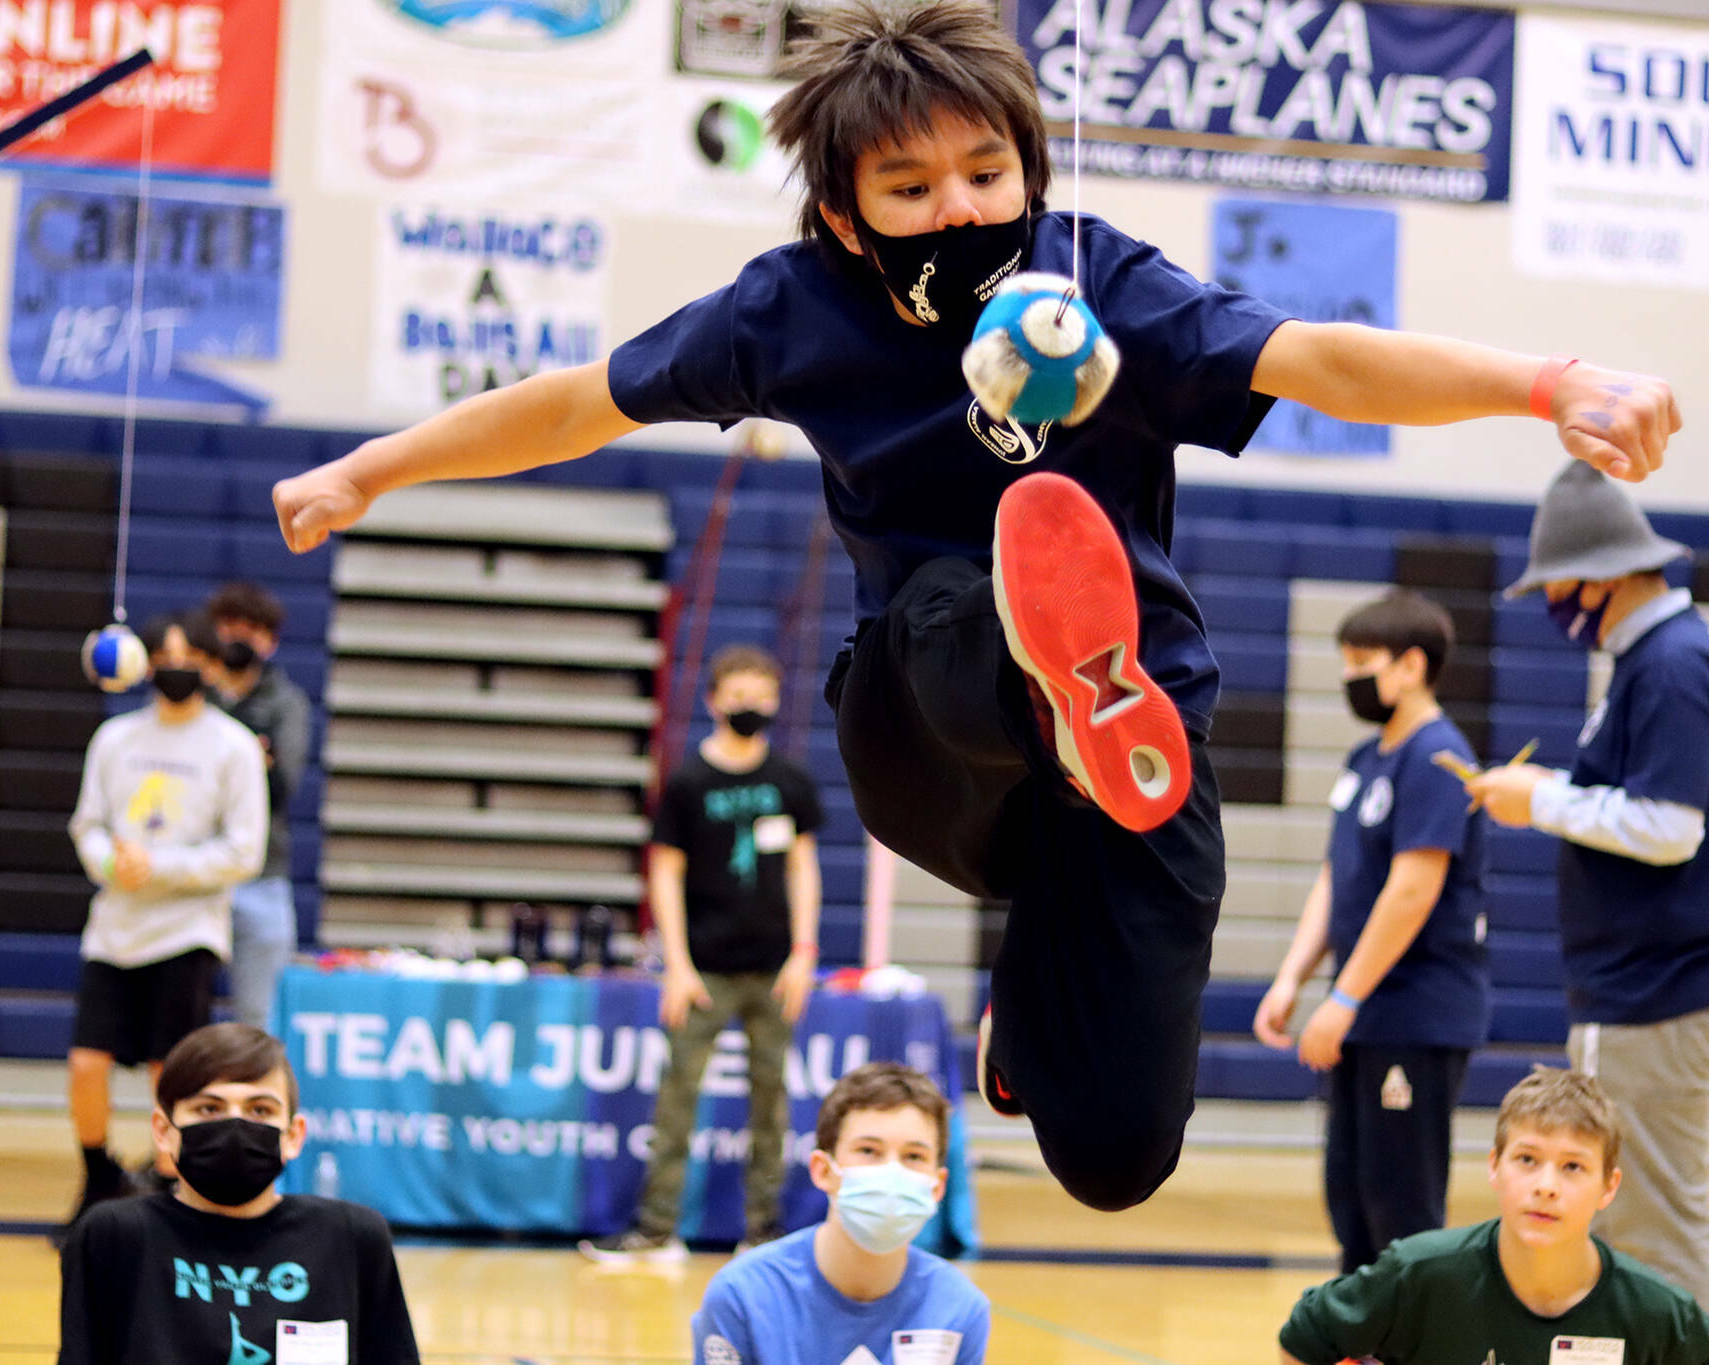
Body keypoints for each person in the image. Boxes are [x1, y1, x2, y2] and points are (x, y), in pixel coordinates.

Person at [268, 0, 1680, 1212]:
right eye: (910, 188)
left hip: (1138, 741)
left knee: (1114, 1158)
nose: (958, 208)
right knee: (965, 591)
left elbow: (1321, 358)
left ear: (1029, 171)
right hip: (928, 723)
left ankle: (1045, 937)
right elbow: (578, 403)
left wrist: (1548, 384)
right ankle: (1046, 681)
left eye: (986, 174)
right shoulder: (789, 310)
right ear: (844, 215)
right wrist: (368, 469)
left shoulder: (1097, 277)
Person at [1465, 460, 1709, 1306]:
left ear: (1597, 575)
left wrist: (1541, 800)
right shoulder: (1657, 660)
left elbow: (1671, 826)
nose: (1552, 605)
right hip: (1649, 992)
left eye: (1555, 586)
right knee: (1651, 1217)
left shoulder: (1671, 664)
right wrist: (1555, 791)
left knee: (1647, 1228)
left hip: (1654, 993)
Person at [1255, 590, 1491, 1273]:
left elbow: (1412, 891)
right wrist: (1293, 977)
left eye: (1362, 661)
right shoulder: (1365, 759)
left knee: (1401, 1207)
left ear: (1412, 665)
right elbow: (1337, 877)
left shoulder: (1439, 756)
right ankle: (1361, 1329)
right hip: (1365, 1014)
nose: (1348, 677)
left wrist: (1344, 999)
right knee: (1351, 1198)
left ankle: (1409, 1330)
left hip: (1414, 1014)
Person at [580, 644, 824, 1262]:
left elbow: (803, 868)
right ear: (714, 702)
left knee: (771, 1102)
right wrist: (678, 965)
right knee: (677, 1100)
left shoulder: (788, 781)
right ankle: (657, 1230)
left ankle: (762, 1231)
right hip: (705, 969)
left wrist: (803, 952)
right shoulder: (689, 782)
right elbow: (664, 874)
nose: (751, 707)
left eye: (761, 697)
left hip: (774, 968)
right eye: (739, 696)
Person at [58, 612, 270, 1242]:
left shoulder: (233, 746)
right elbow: (87, 826)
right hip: (115, 929)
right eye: (165, 656)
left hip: (187, 931)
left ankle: (167, 1184)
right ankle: (97, 1179)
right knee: (86, 1064)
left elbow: (244, 852)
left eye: (189, 657)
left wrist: (163, 867)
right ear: (145, 664)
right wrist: (111, 863)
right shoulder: (115, 739)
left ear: (210, 664)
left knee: (168, 1069)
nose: (177, 667)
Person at [1278, 1067, 1709, 1365]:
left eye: (1572, 1166)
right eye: (1527, 1159)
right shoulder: (1419, 1274)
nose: (1546, 1186)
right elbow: (1304, 1335)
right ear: (1494, 1166)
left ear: (1609, 1187)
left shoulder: (1660, 1315)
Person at [58, 1022, 422, 1365]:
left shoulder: (351, 1237)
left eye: (260, 1110)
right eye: (209, 1108)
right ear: (163, 1131)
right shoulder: (114, 1236)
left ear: (293, 1135)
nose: (235, 1126)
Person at [686, 1061, 988, 1365]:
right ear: (823, 1170)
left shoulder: (959, 1310)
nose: (891, 1172)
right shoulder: (743, 1295)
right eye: (868, 1151)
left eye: (914, 1156)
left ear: (938, 1186)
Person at [206, 581, 316, 1032]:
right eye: (229, 626)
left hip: (261, 876)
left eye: (252, 629)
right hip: (192, 873)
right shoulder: (191, 699)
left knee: (261, 1015)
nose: (239, 637)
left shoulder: (286, 704)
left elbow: (281, 788)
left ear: (269, 641)